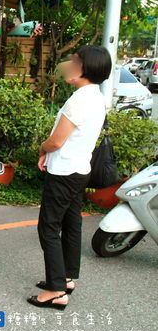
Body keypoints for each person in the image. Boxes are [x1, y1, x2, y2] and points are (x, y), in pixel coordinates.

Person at [28, 44, 111, 310]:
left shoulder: (79, 100)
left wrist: (42, 149)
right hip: (79, 170)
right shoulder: (95, 96)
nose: (68, 64)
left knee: (49, 227)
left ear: (84, 69)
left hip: (64, 172)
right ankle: (66, 278)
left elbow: (56, 141)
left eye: (73, 61)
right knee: (71, 223)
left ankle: (55, 291)